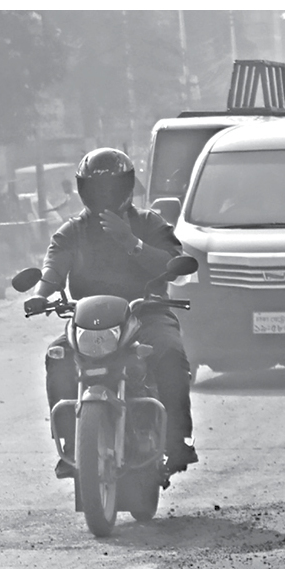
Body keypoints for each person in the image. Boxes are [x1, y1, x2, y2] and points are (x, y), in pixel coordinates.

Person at [33, 147, 198, 481]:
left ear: (127, 185)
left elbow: (176, 267)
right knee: (58, 357)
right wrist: (40, 294)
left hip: (146, 313)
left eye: (111, 186)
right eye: (96, 187)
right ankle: (71, 444)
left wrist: (131, 242)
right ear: (83, 189)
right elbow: (54, 265)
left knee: (170, 354)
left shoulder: (149, 223)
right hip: (89, 320)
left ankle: (176, 440)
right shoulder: (73, 230)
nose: (104, 194)